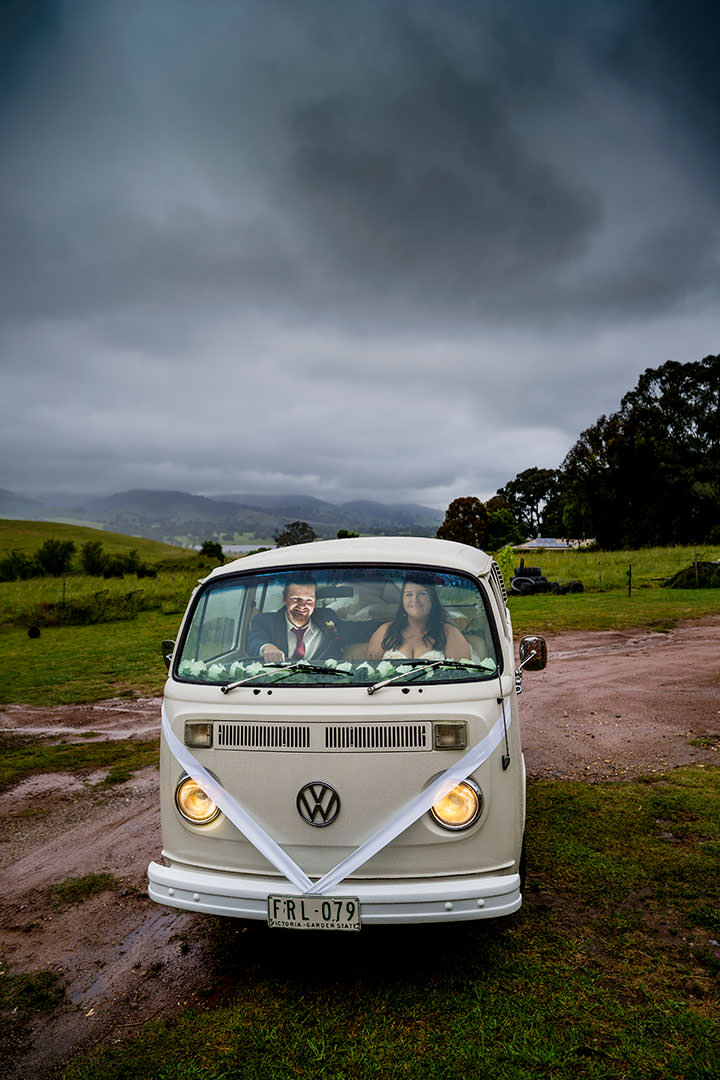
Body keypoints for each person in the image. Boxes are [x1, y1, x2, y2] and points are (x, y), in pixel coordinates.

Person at [246, 577, 358, 663]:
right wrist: (267, 648)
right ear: (284, 599)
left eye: (309, 600)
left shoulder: (327, 617)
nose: (302, 605)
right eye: (296, 599)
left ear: (315, 601)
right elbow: (254, 641)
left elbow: (357, 630)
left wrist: (376, 633)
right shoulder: (265, 621)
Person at [365, 576, 470, 661]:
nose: (415, 600)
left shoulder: (449, 633)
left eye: (422, 594)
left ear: (432, 598)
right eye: (409, 594)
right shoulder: (385, 631)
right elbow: (369, 674)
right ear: (402, 600)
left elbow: (463, 675)